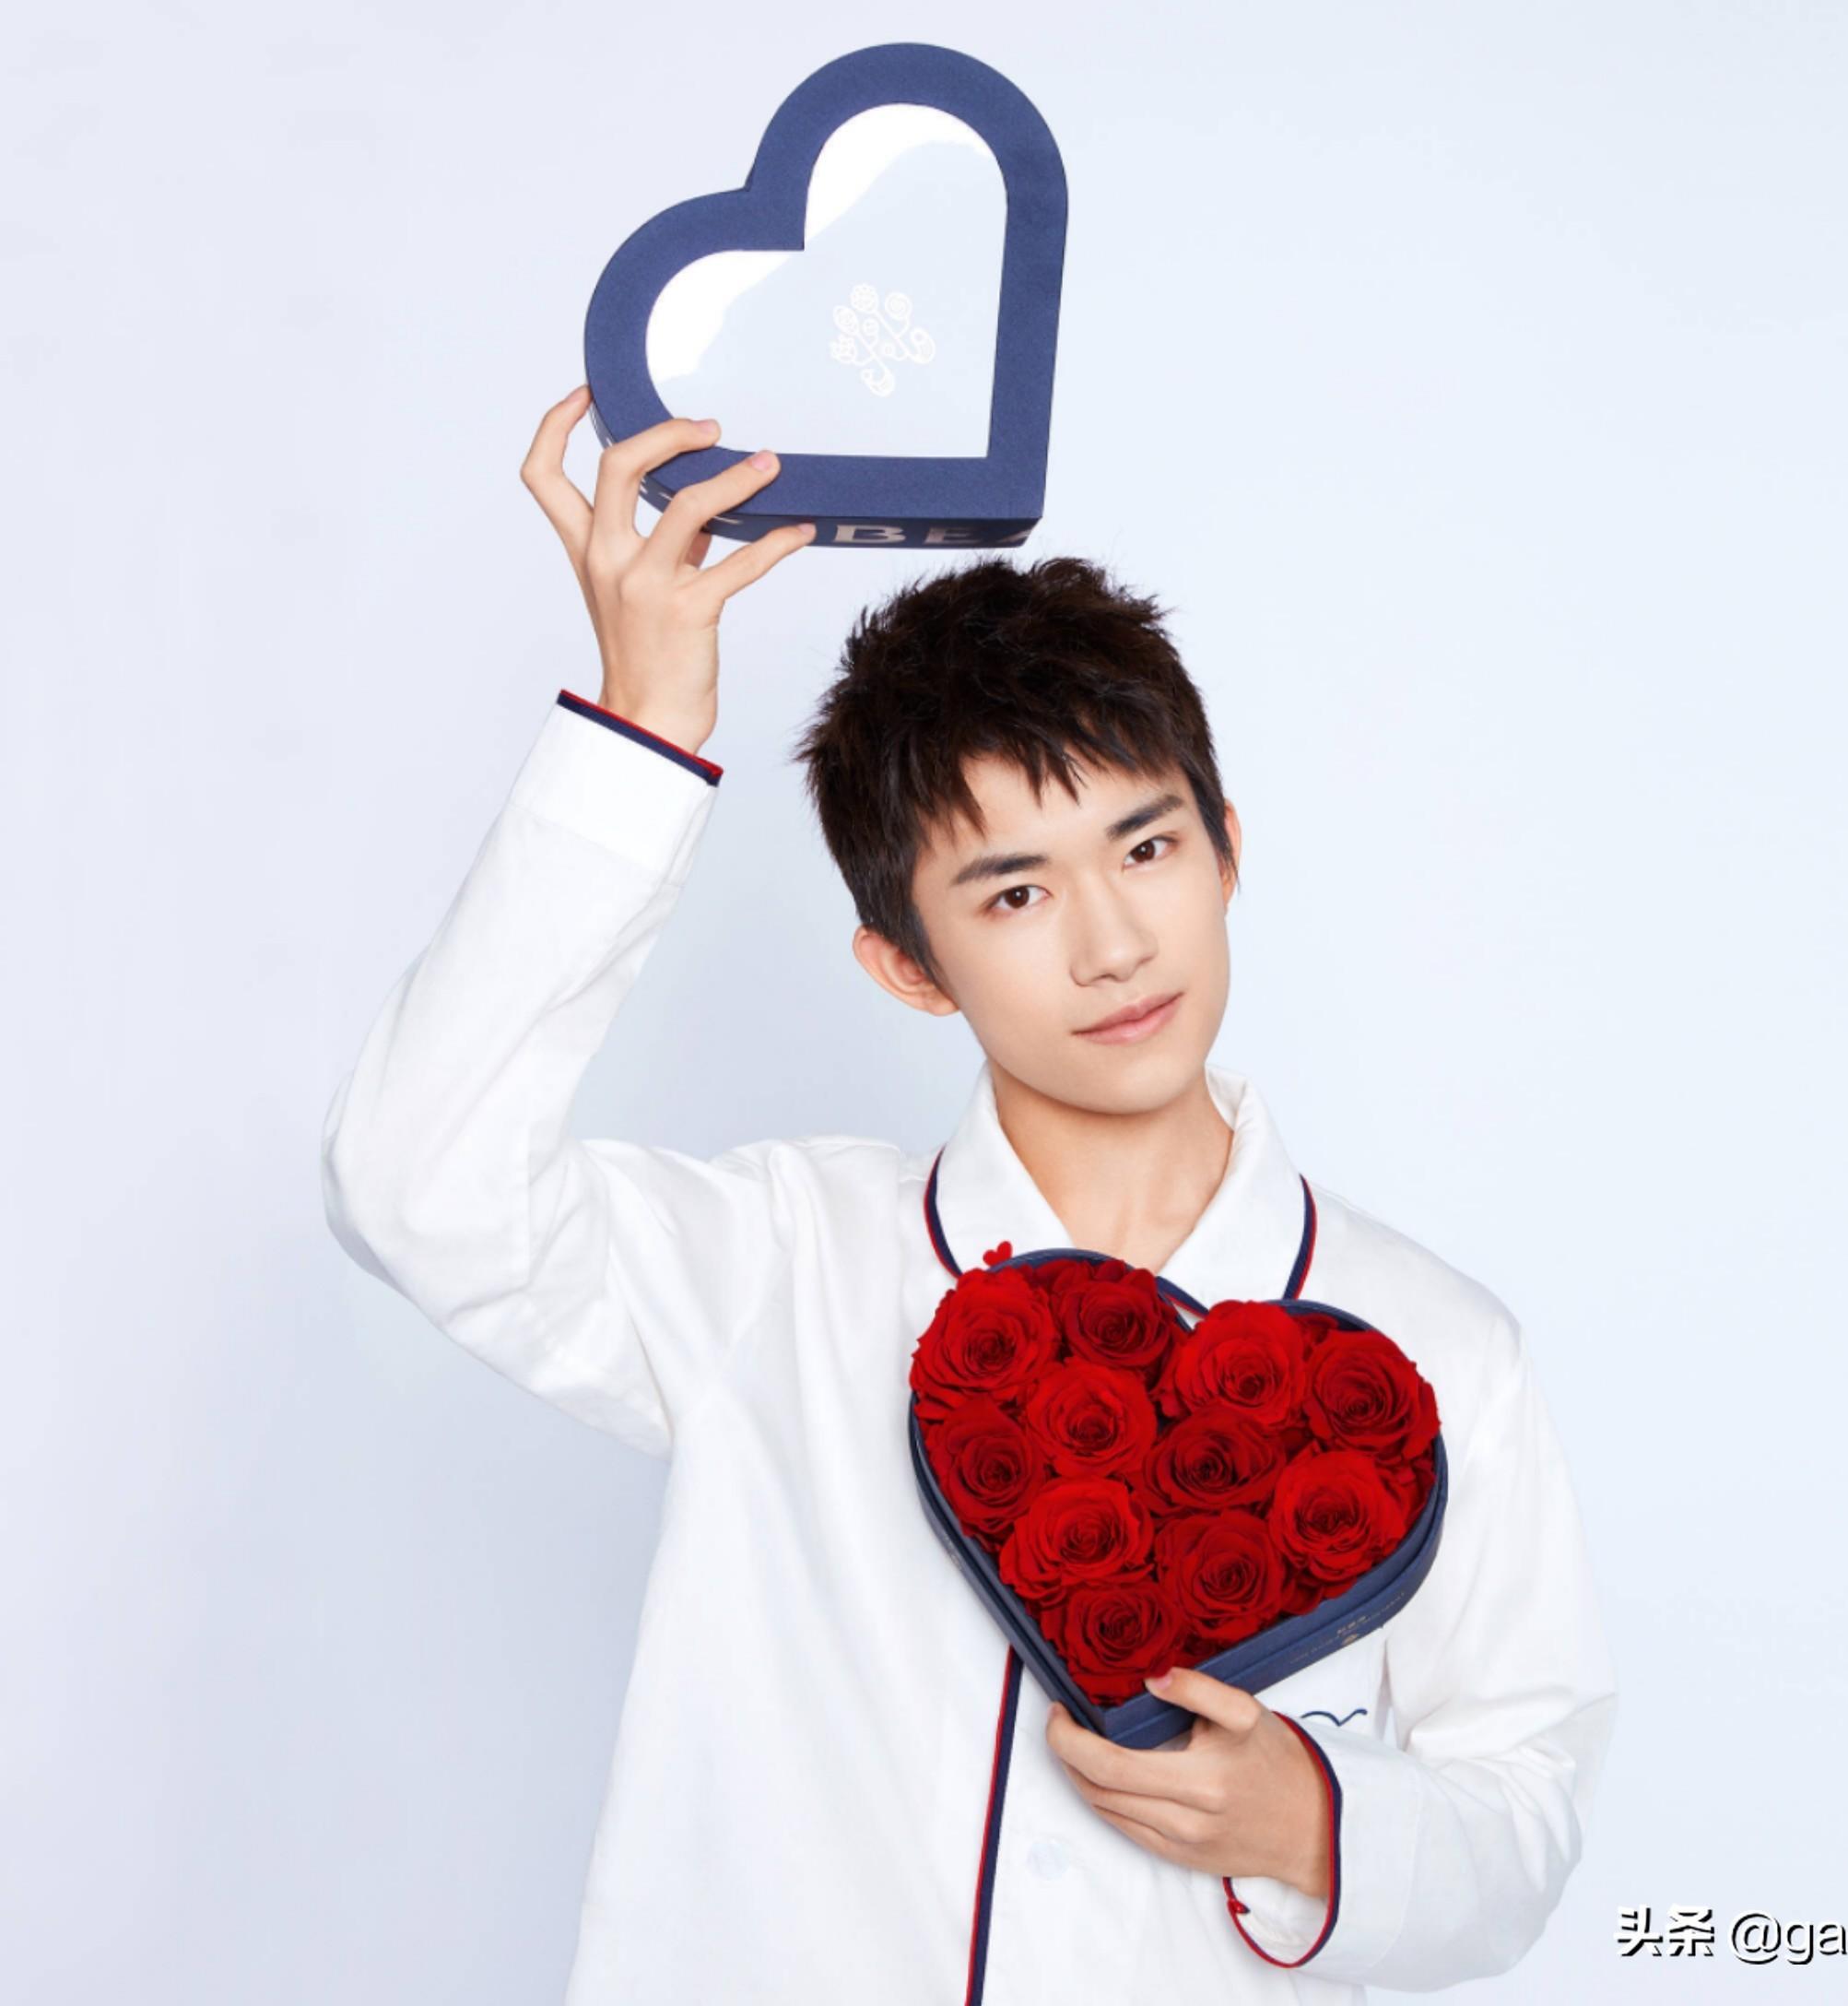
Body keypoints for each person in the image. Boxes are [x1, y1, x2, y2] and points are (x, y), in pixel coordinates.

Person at [320, 385, 1618, 2003]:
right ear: (905, 966)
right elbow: (416, 1184)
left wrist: (1315, 1822)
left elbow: (1522, 1809)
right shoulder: (778, 1269)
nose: (1113, 944)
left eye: (1144, 851)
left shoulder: (1437, 1345)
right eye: (1013, 893)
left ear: (1225, 848)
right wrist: (639, 730)